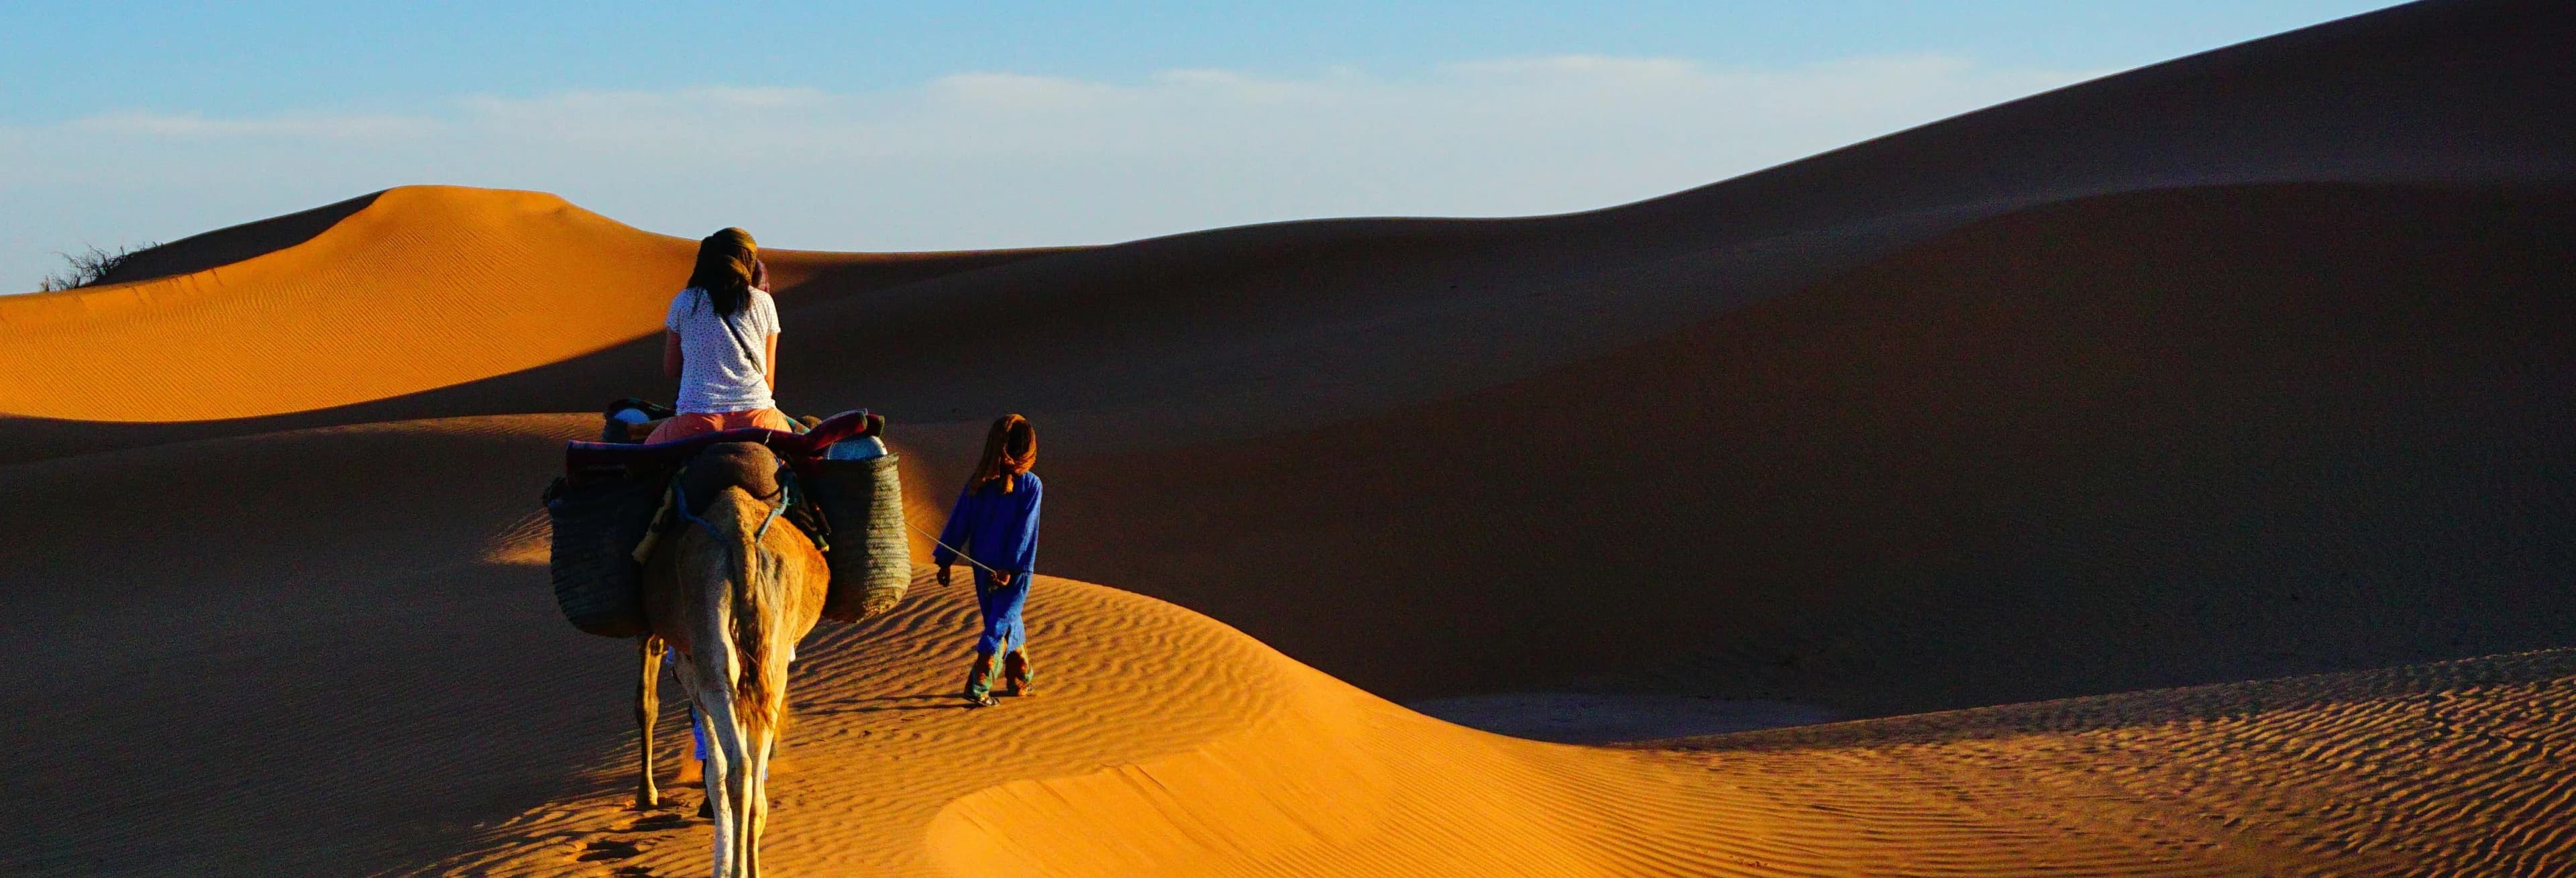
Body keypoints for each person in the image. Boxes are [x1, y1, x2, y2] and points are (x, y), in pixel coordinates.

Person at [644, 228, 794, 443]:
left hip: (697, 423)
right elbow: (768, 382)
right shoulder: (764, 302)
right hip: (758, 420)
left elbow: (672, 369)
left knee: (646, 457)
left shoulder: (684, 302)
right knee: (805, 459)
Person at [934, 415, 1043, 707]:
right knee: (999, 623)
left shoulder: (980, 481)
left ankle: (1021, 679)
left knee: (1005, 619)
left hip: (984, 567)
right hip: (1013, 571)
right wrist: (1010, 568)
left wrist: (945, 559)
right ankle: (979, 684)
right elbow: (1025, 532)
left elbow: (959, 521)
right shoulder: (1030, 485)